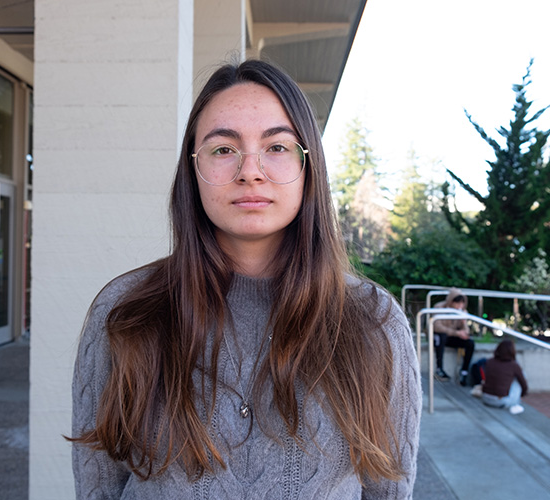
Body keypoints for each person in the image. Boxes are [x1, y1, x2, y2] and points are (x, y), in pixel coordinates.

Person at [69, 60, 422, 499]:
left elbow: (388, 489)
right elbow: (98, 488)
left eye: (277, 147)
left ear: (308, 166)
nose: (250, 171)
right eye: (223, 150)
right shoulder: (126, 312)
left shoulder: (372, 321)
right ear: (192, 170)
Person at [432, 288, 475, 385]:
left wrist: (464, 323)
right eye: (457, 303)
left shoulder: (463, 311)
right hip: (438, 336)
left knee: (470, 343)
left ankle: (464, 372)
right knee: (441, 336)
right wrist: (457, 333)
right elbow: (437, 327)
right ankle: (439, 369)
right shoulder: (439, 307)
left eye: (462, 303)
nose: (460, 306)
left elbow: (466, 331)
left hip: (452, 337)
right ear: (451, 301)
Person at [482, 339, 528, 415]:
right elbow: (524, 385)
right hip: (501, 402)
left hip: (485, 398)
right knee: (521, 375)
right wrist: (521, 395)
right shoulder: (514, 365)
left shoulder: (489, 361)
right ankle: (517, 401)